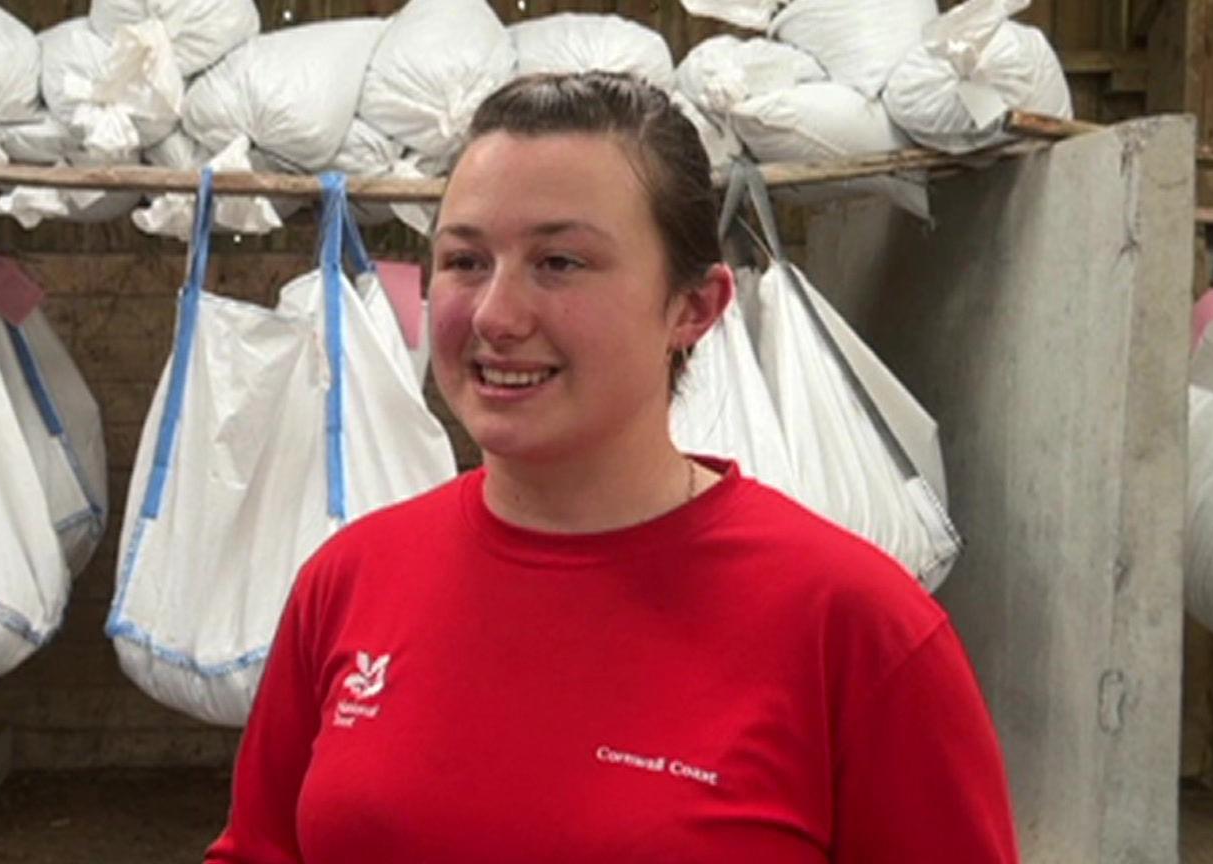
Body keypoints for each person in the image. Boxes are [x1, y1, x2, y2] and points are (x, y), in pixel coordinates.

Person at [204, 71, 1019, 863]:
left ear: (693, 308)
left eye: (560, 262)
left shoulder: (855, 628)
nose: (495, 314)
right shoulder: (351, 580)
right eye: (464, 260)